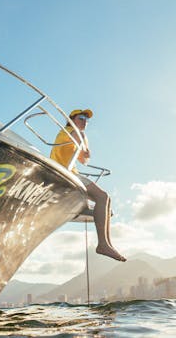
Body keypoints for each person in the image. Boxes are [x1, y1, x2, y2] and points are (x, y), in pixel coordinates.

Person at [50, 109, 126, 262]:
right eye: (81, 117)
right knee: (102, 197)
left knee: (106, 200)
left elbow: (83, 161)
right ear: (72, 119)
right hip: (66, 173)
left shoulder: (70, 134)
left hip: (68, 171)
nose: (85, 121)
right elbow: (83, 153)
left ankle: (107, 244)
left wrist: (84, 152)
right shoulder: (72, 130)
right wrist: (84, 149)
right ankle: (103, 244)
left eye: (87, 119)